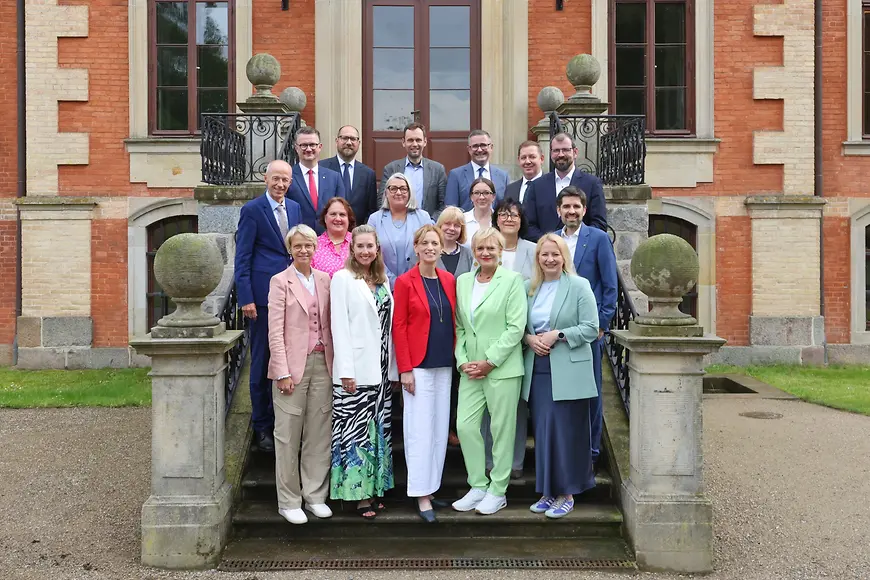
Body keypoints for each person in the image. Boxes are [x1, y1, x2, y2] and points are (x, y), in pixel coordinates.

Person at [522, 234, 600, 519]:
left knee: (568, 432)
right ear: (538, 258)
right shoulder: (530, 288)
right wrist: (529, 339)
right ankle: (547, 491)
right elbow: (520, 325)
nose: (550, 259)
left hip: (570, 367)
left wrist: (560, 334)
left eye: (555, 254)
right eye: (544, 254)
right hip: (539, 367)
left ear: (564, 256)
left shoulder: (579, 286)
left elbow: (591, 328)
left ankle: (567, 492)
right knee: (544, 431)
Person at [452, 228, 527, 516]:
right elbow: (460, 327)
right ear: (473, 251)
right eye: (480, 248)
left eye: (491, 248)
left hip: (502, 369)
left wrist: (490, 361)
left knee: (501, 431)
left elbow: (515, 328)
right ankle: (478, 485)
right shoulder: (463, 281)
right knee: (466, 427)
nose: (485, 253)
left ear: (500, 251)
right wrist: (463, 362)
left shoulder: (512, 281)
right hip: (471, 368)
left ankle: (498, 490)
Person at [267, 224, 334, 525]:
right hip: (292, 368)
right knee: (288, 435)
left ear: (315, 247)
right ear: (290, 249)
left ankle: (315, 495)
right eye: (298, 246)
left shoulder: (325, 279)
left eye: (308, 245)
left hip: (323, 363)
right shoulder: (280, 281)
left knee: (319, 433)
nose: (304, 250)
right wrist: (281, 371)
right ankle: (289, 500)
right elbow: (275, 331)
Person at [330, 225, 398, 519]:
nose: (366, 251)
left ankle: (375, 489)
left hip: (381, 369)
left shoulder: (382, 280)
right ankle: (357, 496)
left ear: (377, 248)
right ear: (352, 249)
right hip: (355, 371)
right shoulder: (342, 279)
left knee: (378, 431)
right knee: (355, 434)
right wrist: (345, 370)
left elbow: (388, 328)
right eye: (361, 246)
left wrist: (392, 369)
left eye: (371, 246)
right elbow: (339, 326)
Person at [235, 159, 302, 453]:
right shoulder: (252, 210)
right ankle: (262, 426)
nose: (280, 184)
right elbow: (243, 257)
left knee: (288, 359)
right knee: (262, 361)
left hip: (292, 295)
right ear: (266, 179)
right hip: (262, 299)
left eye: (285, 180)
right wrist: (246, 296)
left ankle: (286, 421)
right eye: (276, 178)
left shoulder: (296, 209)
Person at [392, 225, 457, 523]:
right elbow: (399, 326)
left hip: (444, 363)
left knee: (439, 429)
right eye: (425, 243)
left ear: (442, 247)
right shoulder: (405, 282)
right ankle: (420, 494)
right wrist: (404, 368)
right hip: (417, 366)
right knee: (419, 430)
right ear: (416, 248)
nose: (431, 247)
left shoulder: (449, 279)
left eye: (435, 242)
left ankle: (432, 487)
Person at [555, 186, 617, 465]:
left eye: (576, 207)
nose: (571, 211)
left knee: (589, 393)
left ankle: (591, 451)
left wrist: (601, 325)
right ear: (559, 211)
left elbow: (609, 286)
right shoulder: (551, 241)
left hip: (587, 332)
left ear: (584, 210)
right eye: (566, 207)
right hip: (556, 335)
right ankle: (563, 449)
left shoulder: (599, 239)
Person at [480, 197, 537, 480]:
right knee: (489, 403)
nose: (509, 218)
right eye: (503, 214)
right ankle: (489, 460)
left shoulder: (534, 250)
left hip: (523, 335)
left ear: (521, 219)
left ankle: (514, 463)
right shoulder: (486, 248)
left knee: (516, 404)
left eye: (514, 214)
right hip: (490, 337)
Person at [434, 206, 474, 447]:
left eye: (456, 225)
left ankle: (456, 425)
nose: (451, 228)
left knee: (460, 379)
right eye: (447, 224)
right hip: (437, 323)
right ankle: (442, 427)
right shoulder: (430, 249)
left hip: (462, 322)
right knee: (443, 378)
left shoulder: (468, 254)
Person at [523, 132, 607, 241]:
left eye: (566, 150)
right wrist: (550, 243)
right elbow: (528, 225)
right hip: (547, 253)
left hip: (581, 252)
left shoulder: (592, 184)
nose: (561, 154)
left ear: (575, 152)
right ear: (551, 153)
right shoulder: (536, 186)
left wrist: (575, 242)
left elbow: (599, 224)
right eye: (556, 150)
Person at [367, 173, 433, 288]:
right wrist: (393, 281)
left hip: (418, 283)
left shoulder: (423, 217)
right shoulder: (375, 219)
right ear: (386, 193)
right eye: (393, 189)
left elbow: (430, 249)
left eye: (403, 189)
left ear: (409, 192)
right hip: (383, 284)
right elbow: (370, 252)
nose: (398, 192)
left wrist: (410, 279)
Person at [381, 123, 447, 218]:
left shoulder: (438, 170)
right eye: (410, 140)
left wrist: (430, 223)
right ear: (403, 142)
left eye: (418, 140)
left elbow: (443, 204)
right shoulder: (391, 169)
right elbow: (382, 201)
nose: (414, 144)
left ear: (425, 142)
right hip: (398, 224)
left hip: (428, 227)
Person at [287, 126, 346, 233]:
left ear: (320, 147)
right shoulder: (288, 177)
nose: (309, 149)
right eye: (304, 145)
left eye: (312, 145)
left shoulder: (334, 177)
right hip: (299, 240)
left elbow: (342, 210)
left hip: (329, 239)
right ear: (296, 148)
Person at [320, 125, 378, 225]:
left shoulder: (368, 174)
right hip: (328, 232)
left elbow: (371, 209)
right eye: (345, 138)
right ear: (337, 141)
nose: (349, 142)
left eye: (353, 139)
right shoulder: (322, 168)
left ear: (358, 143)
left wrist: (361, 231)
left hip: (357, 234)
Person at [444, 130, 510, 211]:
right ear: (469, 149)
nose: (479, 150)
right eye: (475, 146)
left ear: (491, 147)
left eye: (483, 145)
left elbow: (507, 207)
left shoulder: (503, 176)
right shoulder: (456, 175)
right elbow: (451, 209)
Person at [312, 197, 355, 277]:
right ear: (325, 218)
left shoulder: (358, 241)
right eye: (333, 214)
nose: (338, 218)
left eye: (342, 215)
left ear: (348, 218)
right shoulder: (313, 245)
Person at [463, 178, 496, 245]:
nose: (481, 197)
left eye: (486, 193)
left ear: (493, 196)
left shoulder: (501, 220)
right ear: (471, 197)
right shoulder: (462, 220)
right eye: (477, 193)